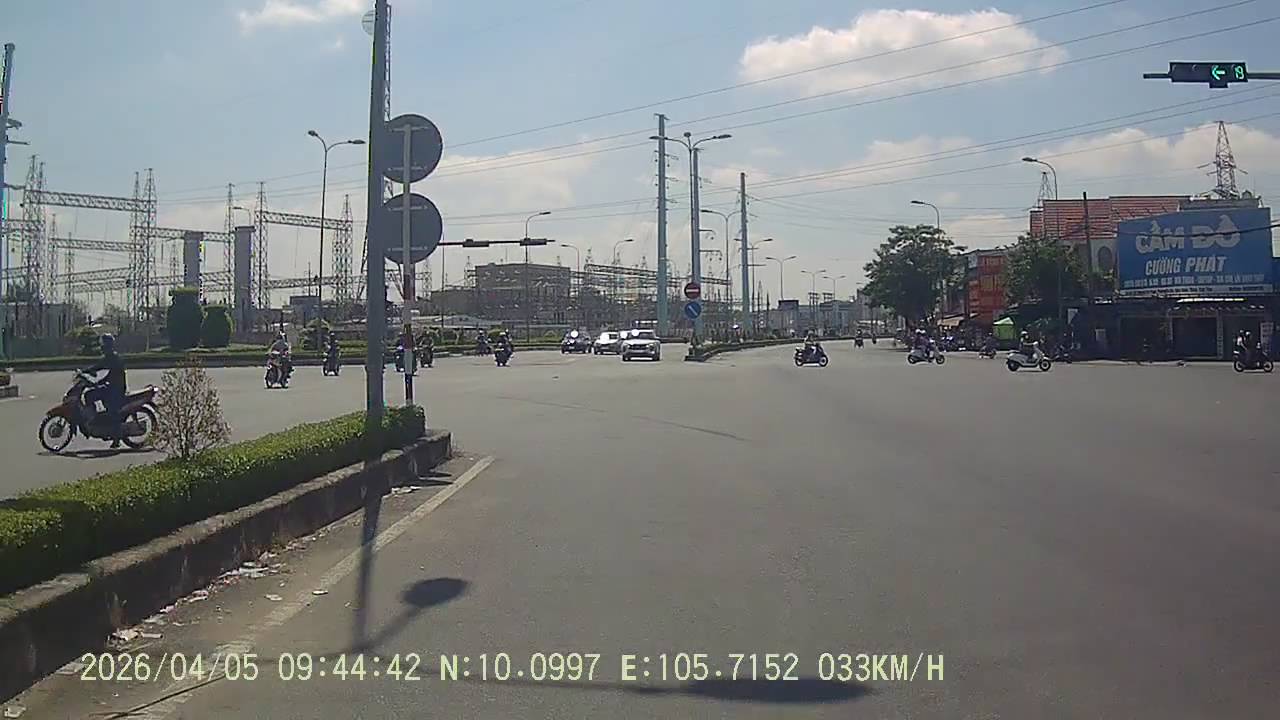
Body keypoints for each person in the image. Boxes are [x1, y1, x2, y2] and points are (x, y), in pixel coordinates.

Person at [85, 333, 127, 448]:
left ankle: (116, 438)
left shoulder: (113, 358)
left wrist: (98, 382)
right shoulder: (109, 356)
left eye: (103, 344)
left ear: (108, 345)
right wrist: (85, 372)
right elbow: (98, 366)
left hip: (117, 388)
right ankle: (94, 419)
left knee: (113, 411)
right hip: (111, 386)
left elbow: (111, 375)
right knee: (89, 395)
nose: (101, 347)